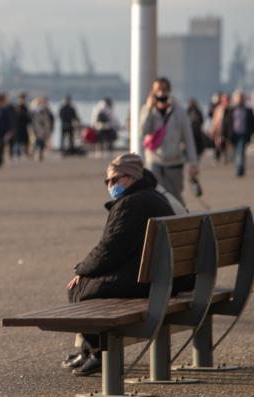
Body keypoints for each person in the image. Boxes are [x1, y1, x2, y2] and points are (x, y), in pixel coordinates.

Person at [64, 154, 177, 376]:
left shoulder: (131, 204)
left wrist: (81, 269)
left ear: (133, 177)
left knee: (79, 289)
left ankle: (99, 351)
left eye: (116, 179)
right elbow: (117, 249)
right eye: (107, 181)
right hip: (161, 276)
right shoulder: (153, 197)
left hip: (148, 281)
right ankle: (89, 350)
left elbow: (109, 250)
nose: (111, 185)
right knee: (86, 283)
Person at [140, 77, 199, 203]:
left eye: (164, 90)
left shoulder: (179, 112)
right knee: (155, 198)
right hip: (154, 162)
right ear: (153, 92)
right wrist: (149, 109)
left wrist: (193, 163)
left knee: (174, 199)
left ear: (169, 91)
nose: (161, 93)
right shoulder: (148, 110)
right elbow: (143, 131)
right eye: (158, 90)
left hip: (174, 163)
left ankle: (178, 221)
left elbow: (188, 138)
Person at [222, 90, 254, 177]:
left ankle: (239, 168)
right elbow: (226, 123)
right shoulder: (230, 110)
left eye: (241, 98)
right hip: (233, 134)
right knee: (237, 152)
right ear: (235, 100)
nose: (240, 100)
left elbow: (253, 123)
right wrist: (224, 134)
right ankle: (239, 166)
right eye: (238, 98)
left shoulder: (248, 110)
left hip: (244, 134)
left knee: (240, 150)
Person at [30, 96, 54, 162]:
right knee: (39, 141)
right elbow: (46, 121)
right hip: (39, 129)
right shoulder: (40, 111)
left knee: (39, 141)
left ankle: (37, 153)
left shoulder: (37, 110)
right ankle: (37, 152)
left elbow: (47, 120)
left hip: (39, 129)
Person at [209, 92, 230, 163]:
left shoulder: (231, 109)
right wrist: (213, 129)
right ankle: (218, 157)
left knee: (226, 144)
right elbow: (215, 120)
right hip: (220, 130)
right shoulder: (218, 109)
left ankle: (225, 157)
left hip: (228, 130)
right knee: (218, 144)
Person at [10, 92, 30, 159]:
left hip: (23, 126)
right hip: (17, 126)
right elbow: (15, 116)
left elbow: (27, 117)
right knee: (17, 140)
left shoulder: (25, 106)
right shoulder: (17, 106)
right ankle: (16, 153)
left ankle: (24, 152)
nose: (24, 100)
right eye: (23, 98)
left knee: (25, 140)